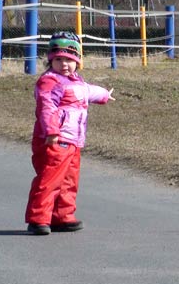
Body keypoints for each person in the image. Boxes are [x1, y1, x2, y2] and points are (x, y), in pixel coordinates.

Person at [25, 31, 115, 235]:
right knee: (50, 178)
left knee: (69, 180)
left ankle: (62, 216)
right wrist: (51, 131)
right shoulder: (49, 81)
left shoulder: (76, 82)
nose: (64, 64)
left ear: (77, 61)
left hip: (73, 141)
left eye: (69, 59)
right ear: (50, 60)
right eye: (58, 59)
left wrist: (104, 95)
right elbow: (46, 106)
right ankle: (38, 218)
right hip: (54, 139)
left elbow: (90, 91)